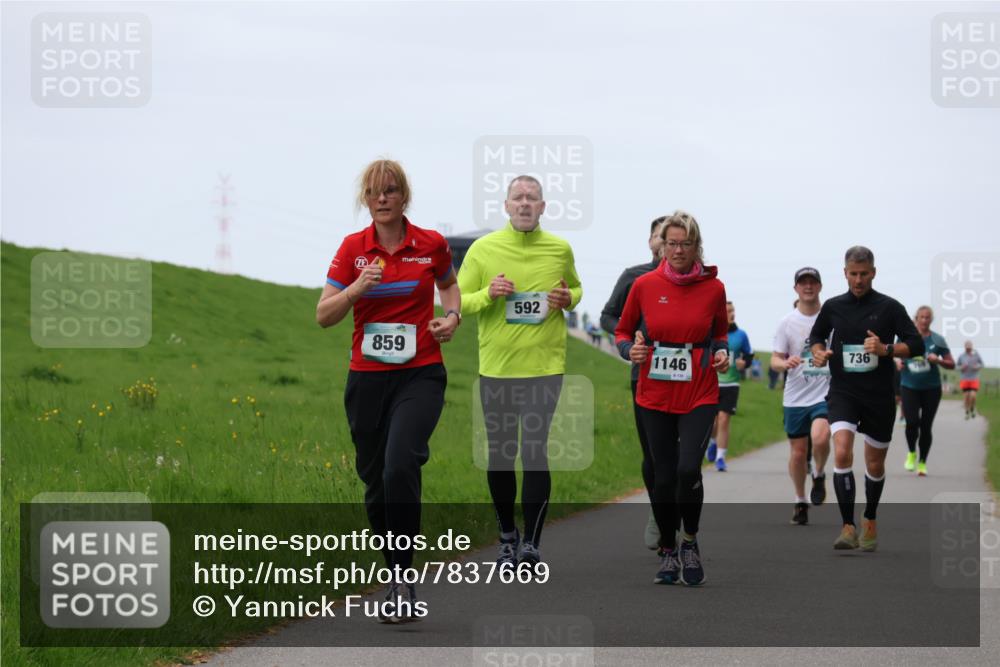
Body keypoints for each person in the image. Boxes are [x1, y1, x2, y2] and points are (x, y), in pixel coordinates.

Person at [316, 159, 460, 623]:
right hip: (368, 379)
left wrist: (451, 317)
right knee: (375, 481)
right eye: (374, 191)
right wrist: (357, 287)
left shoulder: (431, 244)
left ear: (404, 197)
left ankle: (401, 578)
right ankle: (393, 567)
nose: (382, 198)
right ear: (366, 198)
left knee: (401, 463)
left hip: (420, 373)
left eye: (391, 190)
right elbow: (324, 315)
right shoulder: (353, 249)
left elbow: (450, 286)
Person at [457, 175, 582, 569]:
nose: (525, 204)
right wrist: (488, 293)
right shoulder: (483, 249)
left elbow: (575, 289)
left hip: (546, 367)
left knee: (534, 452)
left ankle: (531, 543)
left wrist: (568, 298)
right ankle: (507, 535)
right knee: (501, 455)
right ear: (507, 205)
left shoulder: (559, 248)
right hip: (497, 367)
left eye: (533, 198)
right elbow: (458, 302)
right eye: (518, 198)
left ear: (543, 207)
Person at [615, 211, 729, 586]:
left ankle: (690, 540)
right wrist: (629, 349)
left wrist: (721, 352)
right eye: (672, 243)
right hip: (654, 391)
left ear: (697, 246)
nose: (678, 250)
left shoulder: (714, 288)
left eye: (686, 244)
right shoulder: (644, 284)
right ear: (662, 245)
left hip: (699, 389)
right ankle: (667, 548)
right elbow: (621, 330)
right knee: (662, 478)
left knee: (686, 471)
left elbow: (720, 334)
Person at [810, 246, 923, 552]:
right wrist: (818, 352)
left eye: (863, 274)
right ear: (844, 273)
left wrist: (886, 348)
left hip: (879, 395)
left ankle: (870, 517)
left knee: (874, 463)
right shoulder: (833, 307)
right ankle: (848, 526)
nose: (858, 280)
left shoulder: (890, 307)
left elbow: (915, 344)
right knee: (843, 451)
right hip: (844, 392)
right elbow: (816, 337)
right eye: (853, 274)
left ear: (873, 272)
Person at [600, 216, 668, 552]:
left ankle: (680, 512)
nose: (667, 242)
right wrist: (628, 347)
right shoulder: (635, 277)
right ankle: (659, 513)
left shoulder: (697, 278)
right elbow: (608, 315)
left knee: (683, 455)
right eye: (659, 235)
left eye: (674, 237)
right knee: (654, 453)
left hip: (690, 382)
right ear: (652, 241)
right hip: (644, 374)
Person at [770, 267, 831, 525]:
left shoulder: (831, 319)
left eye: (812, 282)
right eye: (803, 283)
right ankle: (800, 500)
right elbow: (774, 359)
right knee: (797, 453)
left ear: (820, 286)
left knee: (820, 437)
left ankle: (818, 473)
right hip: (795, 396)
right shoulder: (787, 322)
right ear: (796, 288)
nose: (808, 287)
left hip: (824, 393)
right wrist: (784, 364)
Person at [897, 306, 954, 476]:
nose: (924, 320)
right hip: (909, 386)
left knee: (926, 426)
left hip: (931, 388)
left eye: (927, 317)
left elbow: (951, 364)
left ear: (931, 319)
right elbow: (893, 353)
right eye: (921, 317)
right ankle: (911, 453)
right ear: (916, 318)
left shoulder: (938, 340)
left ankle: (922, 462)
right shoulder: (905, 337)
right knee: (912, 422)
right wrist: (898, 362)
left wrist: (938, 361)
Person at [705, 302, 752, 471]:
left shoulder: (741, 335)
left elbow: (748, 355)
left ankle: (720, 457)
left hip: (731, 383)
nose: (732, 314)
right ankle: (712, 441)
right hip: (712, 383)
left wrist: (744, 363)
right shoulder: (712, 333)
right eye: (728, 311)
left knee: (724, 419)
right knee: (713, 420)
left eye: (733, 311)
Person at [957, 341, 984, 419]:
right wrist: (962, 367)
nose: (968, 348)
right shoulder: (961, 356)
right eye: (967, 347)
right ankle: (967, 412)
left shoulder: (976, 355)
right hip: (964, 379)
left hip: (974, 378)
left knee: (973, 396)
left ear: (972, 347)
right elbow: (957, 366)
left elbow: (982, 364)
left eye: (970, 347)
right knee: (966, 397)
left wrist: (977, 367)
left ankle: (972, 408)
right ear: (965, 347)